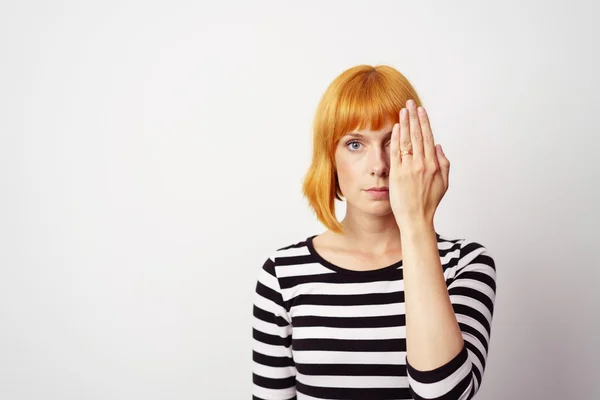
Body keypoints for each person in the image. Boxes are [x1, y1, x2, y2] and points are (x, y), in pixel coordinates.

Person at [251, 64, 497, 400]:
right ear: (330, 158)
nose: (379, 165)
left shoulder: (464, 264)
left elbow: (445, 395)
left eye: (393, 142)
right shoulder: (283, 273)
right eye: (355, 144)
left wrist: (416, 224)